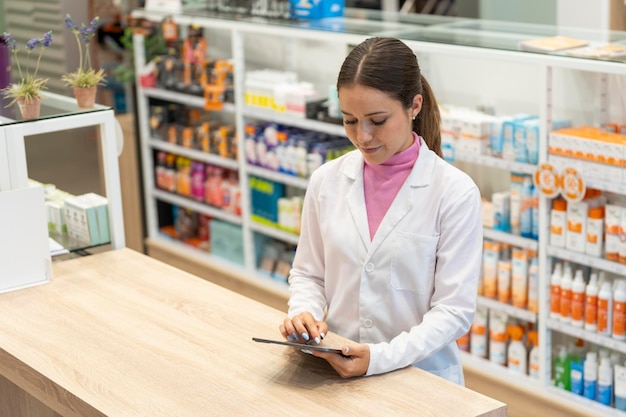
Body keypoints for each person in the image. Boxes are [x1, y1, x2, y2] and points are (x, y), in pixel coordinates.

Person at [279, 37, 483, 385]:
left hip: (422, 379)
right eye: (350, 120)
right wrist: (304, 314)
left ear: (414, 105)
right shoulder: (326, 181)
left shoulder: (455, 192)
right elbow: (309, 274)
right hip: (337, 370)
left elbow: (453, 311)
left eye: (377, 119)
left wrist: (379, 358)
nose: (363, 136)